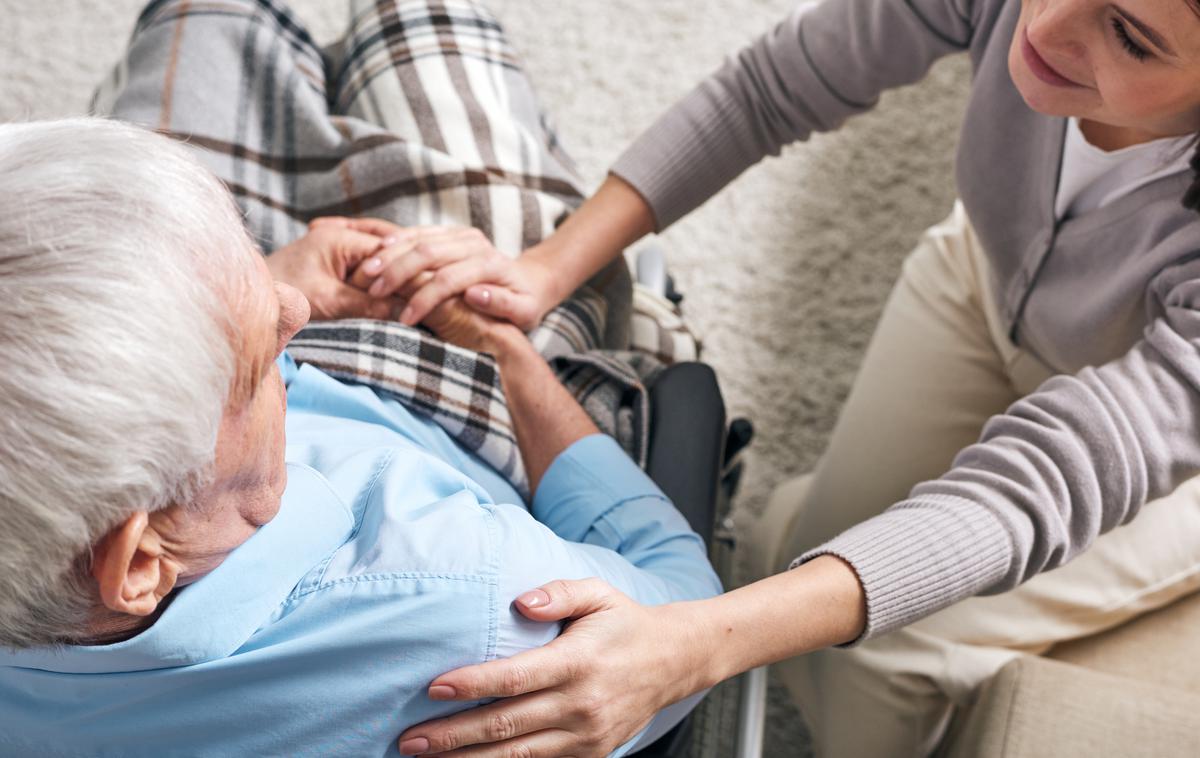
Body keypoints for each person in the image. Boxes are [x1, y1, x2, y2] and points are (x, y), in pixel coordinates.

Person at [373, 0, 1200, 755]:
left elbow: (1041, 487)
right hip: (980, 279)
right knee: (790, 556)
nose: (1045, 25)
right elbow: (771, 89)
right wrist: (549, 267)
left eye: (1129, 34)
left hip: (1158, 410)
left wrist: (698, 646)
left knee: (872, 669)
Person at [0, 118, 720, 756]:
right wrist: (510, 358)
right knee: (441, 76)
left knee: (206, 19)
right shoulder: (478, 605)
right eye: (257, 369)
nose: (297, 310)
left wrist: (241, 293)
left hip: (238, 383)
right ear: (138, 565)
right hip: (479, 409)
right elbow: (685, 610)